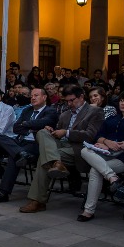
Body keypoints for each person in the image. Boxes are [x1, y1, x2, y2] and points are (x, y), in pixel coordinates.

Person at [19, 85, 104, 213]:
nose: (69, 104)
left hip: (80, 149)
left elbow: (90, 136)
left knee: (44, 159)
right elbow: (58, 132)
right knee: (42, 132)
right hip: (60, 145)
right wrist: (52, 131)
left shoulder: (95, 111)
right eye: (66, 101)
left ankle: (38, 201)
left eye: (72, 100)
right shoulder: (65, 114)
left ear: (81, 97)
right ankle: (56, 163)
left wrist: (67, 133)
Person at [0, 88, 59, 203]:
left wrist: (26, 125)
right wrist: (31, 127)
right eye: (31, 96)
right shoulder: (27, 110)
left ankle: (3, 192)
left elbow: (44, 122)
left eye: (36, 95)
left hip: (36, 143)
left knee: (14, 158)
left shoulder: (50, 111)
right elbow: (16, 127)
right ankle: (21, 153)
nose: (32, 98)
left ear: (44, 97)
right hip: (20, 141)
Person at [77, 89, 124, 221]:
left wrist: (122, 144)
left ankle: (88, 211)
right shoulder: (112, 118)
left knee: (95, 170)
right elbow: (98, 136)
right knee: (84, 150)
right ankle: (112, 177)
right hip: (105, 152)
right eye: (122, 100)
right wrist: (106, 142)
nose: (123, 103)